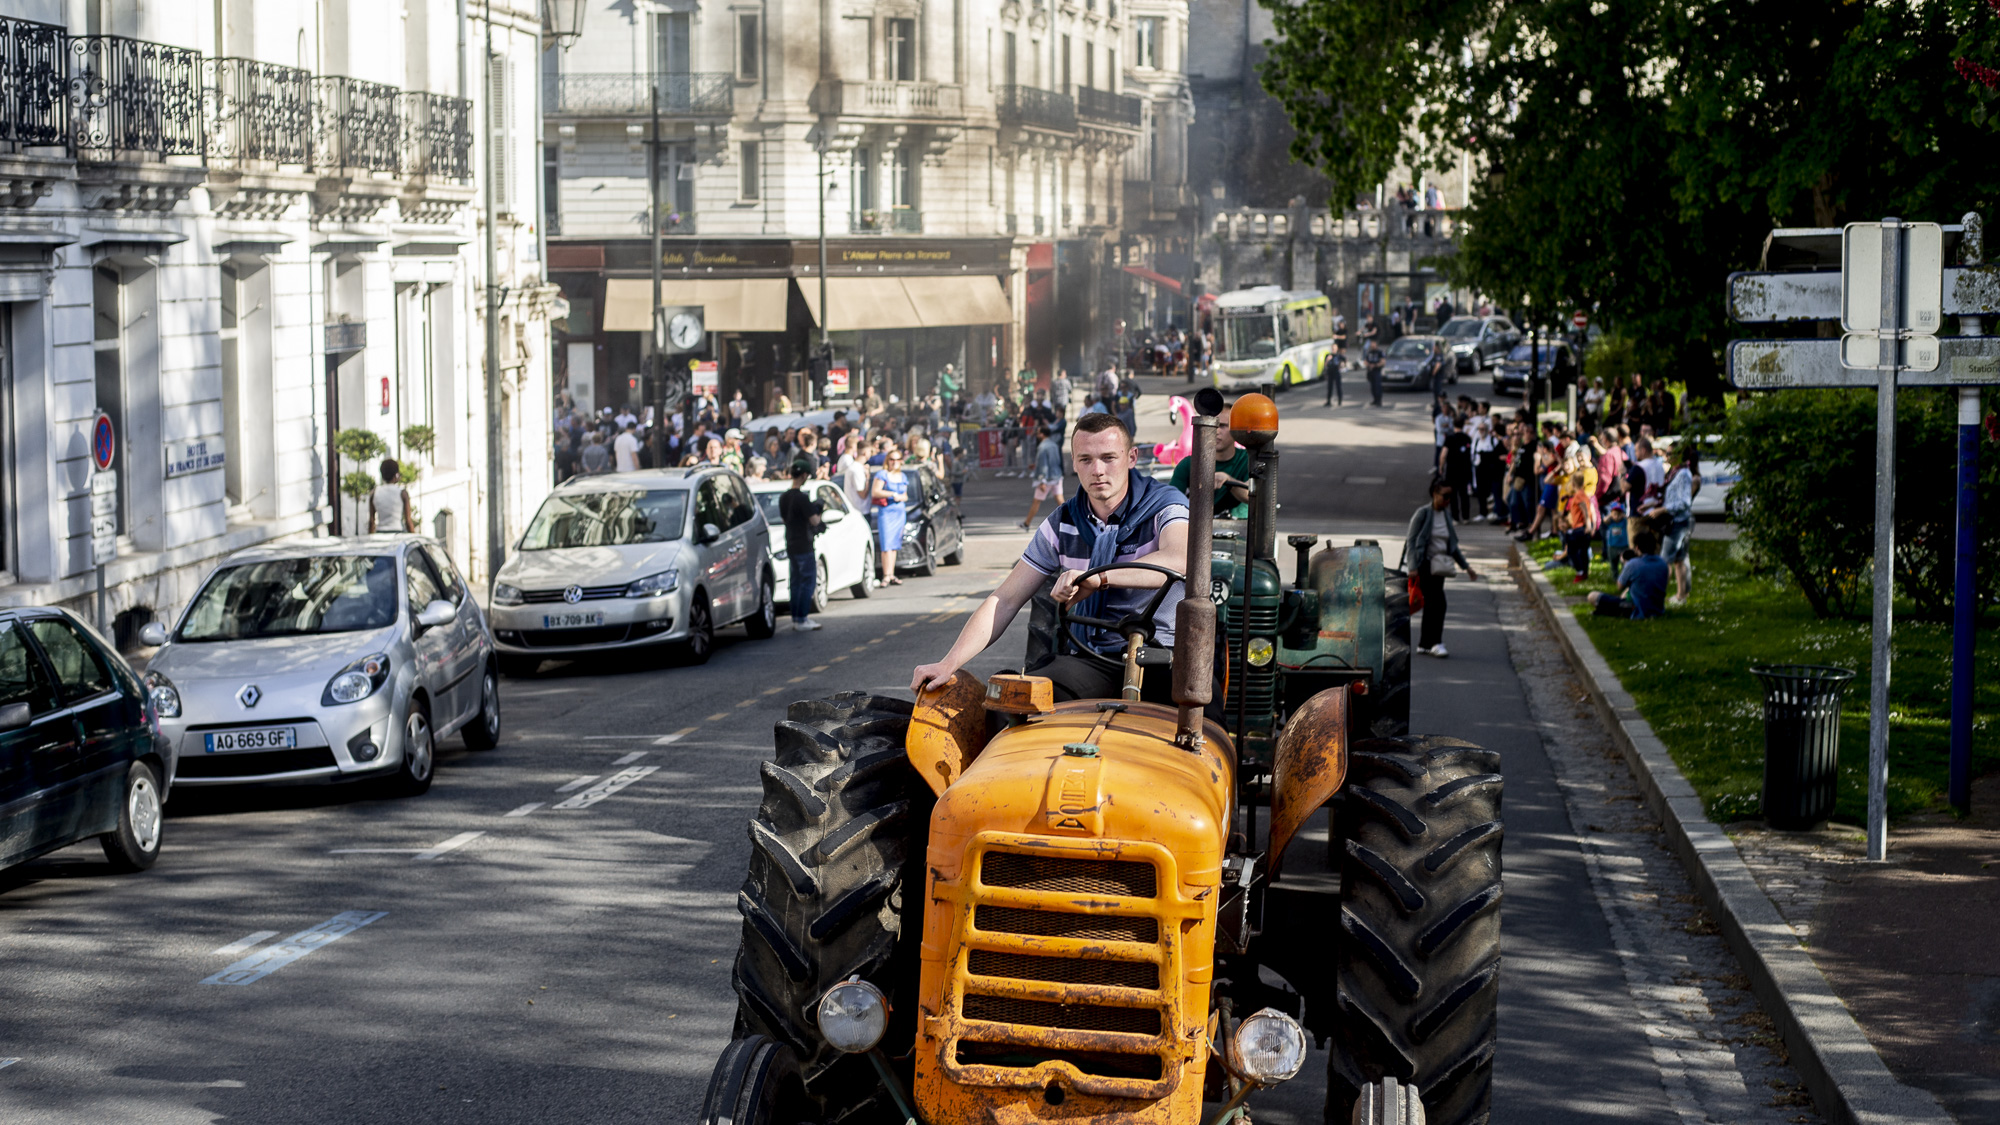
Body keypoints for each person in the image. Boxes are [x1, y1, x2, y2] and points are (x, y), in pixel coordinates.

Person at [912, 412, 1190, 703]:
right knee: (1016, 705)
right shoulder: (1063, 521)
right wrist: (949, 663)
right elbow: (1005, 600)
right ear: (1073, 463)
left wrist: (1101, 577)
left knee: (1203, 722)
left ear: (1131, 458)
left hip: (1164, 656)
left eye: (1109, 458)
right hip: (1093, 657)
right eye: (1085, 460)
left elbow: (1179, 558)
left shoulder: (1166, 506)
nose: (1097, 470)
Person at [1403, 479, 1479, 658]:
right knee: (1438, 604)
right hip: (1425, 565)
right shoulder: (1422, 513)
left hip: (1440, 567)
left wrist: (1466, 567)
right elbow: (1411, 541)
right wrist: (1412, 566)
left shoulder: (1445, 515)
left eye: (1450, 496)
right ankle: (1435, 642)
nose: (1448, 500)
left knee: (1432, 604)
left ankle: (1424, 643)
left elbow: (1452, 546)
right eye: (1445, 496)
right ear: (1434, 494)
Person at [1169, 407, 1253, 519]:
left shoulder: (1248, 460)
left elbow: (1252, 496)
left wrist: (1228, 481)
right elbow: (1171, 502)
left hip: (1240, 528)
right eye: (1212, 426)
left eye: (1223, 426)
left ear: (1237, 430)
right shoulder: (1188, 464)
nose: (1217, 431)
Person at [1645, 443, 1697, 605]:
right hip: (1678, 521)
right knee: (1679, 560)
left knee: (1664, 561)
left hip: (1678, 522)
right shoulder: (1676, 473)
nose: (1666, 457)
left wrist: (1663, 510)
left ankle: (1655, 597)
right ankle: (1681, 596)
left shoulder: (1683, 474)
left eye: (1669, 454)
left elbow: (1684, 503)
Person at [778, 458, 826, 631]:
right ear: (804, 475)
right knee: (807, 582)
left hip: (790, 542)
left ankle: (796, 619)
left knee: (796, 582)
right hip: (804, 544)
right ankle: (803, 618)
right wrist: (818, 510)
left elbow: (784, 519)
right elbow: (814, 521)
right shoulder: (802, 498)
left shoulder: (784, 497)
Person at [1589, 531, 1669, 619]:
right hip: (1658, 608)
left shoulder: (1633, 564)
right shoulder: (1662, 563)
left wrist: (1625, 564)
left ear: (1637, 548)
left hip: (1636, 608)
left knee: (1592, 596)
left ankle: (1609, 611)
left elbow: (1619, 586)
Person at [870, 447, 911, 586]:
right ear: (888, 460)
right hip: (887, 512)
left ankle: (892, 574)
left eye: (897, 459)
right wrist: (892, 494)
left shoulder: (903, 476)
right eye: (892, 459)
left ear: (901, 461)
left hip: (899, 512)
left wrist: (901, 497)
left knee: (894, 545)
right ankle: (886, 575)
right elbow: (875, 492)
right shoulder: (882, 474)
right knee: (886, 544)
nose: (894, 462)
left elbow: (905, 495)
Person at [1021, 424, 1065, 529]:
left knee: (1036, 501)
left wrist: (1042, 480)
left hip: (1047, 478)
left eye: (1038, 432)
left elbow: (1044, 465)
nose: (1037, 434)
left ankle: (1027, 523)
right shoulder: (1054, 445)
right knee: (1060, 500)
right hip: (1056, 475)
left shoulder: (1042, 447)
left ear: (1042, 434)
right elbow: (1055, 461)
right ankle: (1073, 522)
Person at [1439, 416, 1474, 520]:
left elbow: (1443, 455)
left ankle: (1455, 517)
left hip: (1452, 471)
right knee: (1464, 494)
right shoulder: (1467, 438)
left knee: (1453, 495)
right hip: (1464, 470)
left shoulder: (1450, 438)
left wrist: (1441, 466)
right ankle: (1466, 517)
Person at [370, 459, 417, 533]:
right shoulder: (402, 493)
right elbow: (408, 521)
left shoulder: (374, 493)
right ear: (396, 474)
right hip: (397, 533)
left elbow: (371, 521)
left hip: (380, 533)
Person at [1364, 340, 1386, 407]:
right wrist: (1369, 365)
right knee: (1373, 387)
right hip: (1370, 371)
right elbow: (1365, 361)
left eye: (1373, 344)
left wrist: (1376, 365)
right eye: (1371, 344)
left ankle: (1379, 401)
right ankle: (1375, 400)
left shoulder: (1380, 352)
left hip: (1377, 371)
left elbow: (1383, 362)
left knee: (1377, 387)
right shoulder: (1369, 352)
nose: (1372, 345)